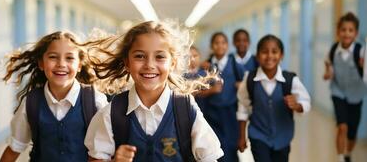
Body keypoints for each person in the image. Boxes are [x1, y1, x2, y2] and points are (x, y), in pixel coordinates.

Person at [84, 21, 224, 162]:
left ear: (172, 63)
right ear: (127, 63)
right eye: (139, 56)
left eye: (160, 57)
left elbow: (209, 157)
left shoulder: (185, 109)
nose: (149, 65)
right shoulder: (110, 113)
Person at [0, 31, 108, 162]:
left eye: (69, 58)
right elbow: (14, 149)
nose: (61, 64)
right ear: (41, 63)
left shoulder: (95, 101)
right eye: (53, 57)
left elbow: (105, 152)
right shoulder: (31, 102)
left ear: (79, 65)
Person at [237, 34, 311, 162]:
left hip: (283, 138)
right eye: (264, 52)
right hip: (258, 135)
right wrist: (242, 136)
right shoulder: (249, 79)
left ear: (281, 55)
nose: (270, 56)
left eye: (274, 52)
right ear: (258, 56)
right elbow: (243, 107)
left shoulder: (290, 80)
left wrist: (297, 106)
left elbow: (306, 102)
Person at [323, 12, 366, 162]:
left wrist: (364, 66)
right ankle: (340, 158)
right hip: (338, 91)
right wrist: (328, 72)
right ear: (338, 32)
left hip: (356, 94)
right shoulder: (334, 49)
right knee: (342, 127)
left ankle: (348, 154)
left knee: (352, 132)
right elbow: (327, 61)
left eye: (350, 30)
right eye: (343, 30)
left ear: (356, 33)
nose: (346, 33)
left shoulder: (361, 51)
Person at [201, 32, 244, 162]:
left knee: (231, 147)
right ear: (211, 46)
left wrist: (240, 86)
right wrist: (211, 90)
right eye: (216, 43)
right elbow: (198, 91)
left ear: (227, 45)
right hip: (211, 113)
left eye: (223, 43)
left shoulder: (235, 64)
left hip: (230, 112)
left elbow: (244, 86)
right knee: (215, 147)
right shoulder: (206, 66)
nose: (220, 46)